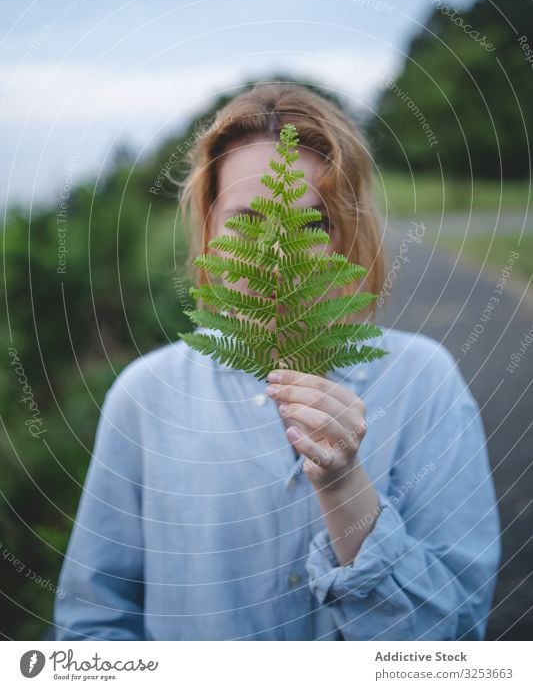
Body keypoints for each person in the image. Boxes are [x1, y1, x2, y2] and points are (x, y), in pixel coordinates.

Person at [54, 81, 501, 641]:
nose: (276, 252)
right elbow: (93, 623)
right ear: (209, 231)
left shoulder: (423, 383)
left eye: (311, 224)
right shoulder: (147, 398)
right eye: (246, 221)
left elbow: (454, 640)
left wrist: (344, 487)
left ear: (350, 236)